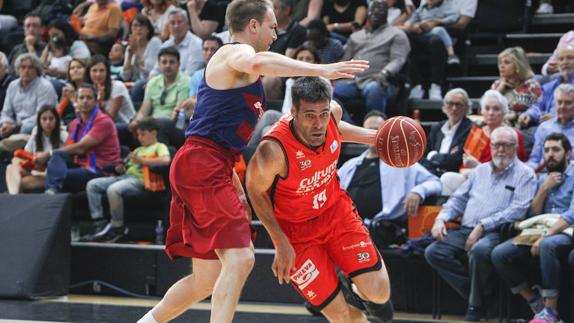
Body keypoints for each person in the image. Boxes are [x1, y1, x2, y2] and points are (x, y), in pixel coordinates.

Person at [136, 0, 368, 321]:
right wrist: (320, 69)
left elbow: (219, 134)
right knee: (242, 258)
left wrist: (235, 183)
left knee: (206, 280)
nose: (276, 33)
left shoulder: (243, 69)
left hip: (211, 164)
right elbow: (259, 63)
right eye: (272, 26)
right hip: (202, 163)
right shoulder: (232, 53)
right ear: (253, 26)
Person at [246, 77, 391, 322]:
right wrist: (279, 242)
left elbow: (335, 128)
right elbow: (254, 190)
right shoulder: (273, 150)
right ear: (293, 112)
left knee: (379, 293)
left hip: (335, 214)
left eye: (323, 114)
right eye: (310, 116)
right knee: (340, 316)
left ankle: (347, 282)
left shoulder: (331, 116)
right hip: (296, 234)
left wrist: (374, 137)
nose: (318, 124)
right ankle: (340, 295)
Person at [425, 126, 537, 322]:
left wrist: (483, 226)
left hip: (498, 232)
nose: (500, 150)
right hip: (467, 229)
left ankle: (475, 306)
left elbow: (518, 210)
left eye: (506, 145)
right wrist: (441, 218)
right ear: (490, 146)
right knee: (434, 252)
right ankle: (480, 298)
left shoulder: (525, 174)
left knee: (479, 250)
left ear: (515, 147)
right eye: (496, 145)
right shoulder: (480, 171)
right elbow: (458, 199)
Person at [492, 133, 574, 323]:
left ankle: (551, 312)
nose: (550, 155)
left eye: (556, 150)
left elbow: (571, 215)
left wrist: (546, 236)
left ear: (568, 153)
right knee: (499, 254)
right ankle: (535, 302)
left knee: (548, 245)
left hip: (566, 229)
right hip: (540, 228)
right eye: (546, 150)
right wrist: (544, 189)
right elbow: (533, 215)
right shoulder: (541, 179)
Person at [338, 110, 442, 247]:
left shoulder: (400, 161)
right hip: (347, 227)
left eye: (378, 130)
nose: (374, 134)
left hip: (381, 230)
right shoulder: (349, 165)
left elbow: (436, 183)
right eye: (370, 129)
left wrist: (418, 191)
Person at [85, 117, 171, 243]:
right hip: (125, 177)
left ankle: (117, 226)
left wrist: (143, 161)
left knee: (113, 190)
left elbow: (166, 160)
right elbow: (126, 167)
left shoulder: (159, 146)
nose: (140, 138)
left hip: (140, 180)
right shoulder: (138, 150)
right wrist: (120, 168)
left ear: (154, 133)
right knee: (92, 185)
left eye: (143, 134)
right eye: (138, 135)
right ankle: (99, 222)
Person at [440, 90, 528, 195]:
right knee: (447, 179)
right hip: (474, 179)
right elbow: (463, 168)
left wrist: (478, 167)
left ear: (504, 112)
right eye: (487, 108)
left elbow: (512, 170)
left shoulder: (512, 135)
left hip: (502, 183)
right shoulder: (477, 133)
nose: (491, 113)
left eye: (496, 109)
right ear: (482, 112)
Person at [333, 0, 410, 114]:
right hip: (352, 82)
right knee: (328, 90)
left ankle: (373, 126)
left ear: (386, 14)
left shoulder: (396, 34)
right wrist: (332, 76)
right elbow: (345, 60)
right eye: (373, 10)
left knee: (374, 89)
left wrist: (384, 73)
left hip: (377, 80)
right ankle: (345, 126)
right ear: (368, 13)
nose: (376, 13)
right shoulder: (356, 36)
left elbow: (398, 59)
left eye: (380, 11)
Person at [44, 83, 120, 194]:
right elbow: (69, 148)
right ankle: (52, 191)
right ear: (76, 100)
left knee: (58, 174)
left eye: (89, 98)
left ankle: (51, 194)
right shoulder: (74, 124)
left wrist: (48, 154)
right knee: (57, 156)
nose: (85, 101)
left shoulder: (103, 121)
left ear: (95, 101)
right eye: (81, 97)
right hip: (80, 163)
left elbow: (80, 148)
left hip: (100, 169)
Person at [129, 46, 190, 148]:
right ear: (159, 64)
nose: (167, 65)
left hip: (174, 125)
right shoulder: (153, 83)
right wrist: (135, 123)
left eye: (172, 62)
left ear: (178, 64)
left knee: (160, 123)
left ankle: (162, 158)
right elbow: (144, 111)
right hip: (153, 124)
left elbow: (179, 112)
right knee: (131, 127)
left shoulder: (186, 82)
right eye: (164, 62)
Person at [5, 105, 67, 194]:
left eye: (51, 118)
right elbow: (25, 155)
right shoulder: (36, 132)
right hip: (35, 172)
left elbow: (71, 149)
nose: (48, 122)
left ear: (56, 120)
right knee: (11, 167)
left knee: (18, 182)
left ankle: (13, 198)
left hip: (51, 176)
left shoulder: (63, 134)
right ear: (39, 121)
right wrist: (18, 161)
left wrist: (47, 155)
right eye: (44, 119)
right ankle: (13, 198)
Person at [404, 0, 458, 100]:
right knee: (404, 39)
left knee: (436, 36)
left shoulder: (446, 6)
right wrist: (416, 26)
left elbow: (454, 18)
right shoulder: (421, 9)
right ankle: (417, 85)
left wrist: (437, 21)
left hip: (439, 36)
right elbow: (409, 24)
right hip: (423, 35)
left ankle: (435, 86)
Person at [0, 54, 58, 143]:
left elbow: (42, 116)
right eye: (23, 67)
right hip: (15, 125)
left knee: (27, 128)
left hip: (36, 125)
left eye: (30, 68)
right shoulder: (12, 86)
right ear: (18, 70)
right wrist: (5, 124)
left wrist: (15, 126)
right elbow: (6, 112)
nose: (26, 71)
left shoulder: (45, 86)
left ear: (37, 70)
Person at [421, 88, 473, 177]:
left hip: (451, 175)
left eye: (458, 104)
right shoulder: (437, 128)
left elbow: (456, 159)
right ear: (444, 107)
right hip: (431, 172)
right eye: (450, 104)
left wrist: (433, 155)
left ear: (466, 108)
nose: (454, 108)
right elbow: (423, 155)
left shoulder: (470, 128)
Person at [519, 45, 574, 128]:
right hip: (546, 128)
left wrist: (557, 117)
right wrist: (528, 115)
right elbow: (537, 106)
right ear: (557, 63)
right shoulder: (549, 86)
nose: (565, 62)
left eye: (569, 58)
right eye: (561, 59)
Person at [527, 84, 574, 169]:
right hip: (543, 175)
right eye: (559, 102)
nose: (562, 106)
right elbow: (534, 160)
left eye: (568, 103)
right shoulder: (544, 128)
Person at [491, 47, 542, 124]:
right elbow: (482, 109)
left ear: (518, 65)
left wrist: (515, 116)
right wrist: (499, 90)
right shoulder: (497, 85)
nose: (501, 66)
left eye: (507, 62)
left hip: (523, 126)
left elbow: (540, 108)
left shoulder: (532, 85)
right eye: (500, 62)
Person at [176, 36, 223, 120]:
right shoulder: (197, 75)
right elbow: (193, 99)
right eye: (206, 49)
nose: (209, 53)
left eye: (213, 49)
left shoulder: (229, 73)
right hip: (200, 116)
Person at [149, 9, 203, 78]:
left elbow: (190, 74)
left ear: (188, 25)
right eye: (172, 23)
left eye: (179, 22)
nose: (176, 26)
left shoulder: (197, 44)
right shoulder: (166, 45)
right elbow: (155, 71)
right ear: (168, 27)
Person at [87, 55, 136, 125]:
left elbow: (109, 119)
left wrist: (100, 103)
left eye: (102, 71)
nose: (98, 74)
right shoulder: (88, 89)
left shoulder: (117, 86)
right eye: (94, 71)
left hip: (124, 125)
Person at [121, 14, 163, 83]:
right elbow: (125, 76)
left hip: (149, 82)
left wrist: (137, 53)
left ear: (148, 29)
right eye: (135, 26)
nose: (138, 29)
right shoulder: (130, 47)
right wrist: (129, 56)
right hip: (132, 83)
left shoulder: (155, 43)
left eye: (142, 26)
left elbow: (151, 69)